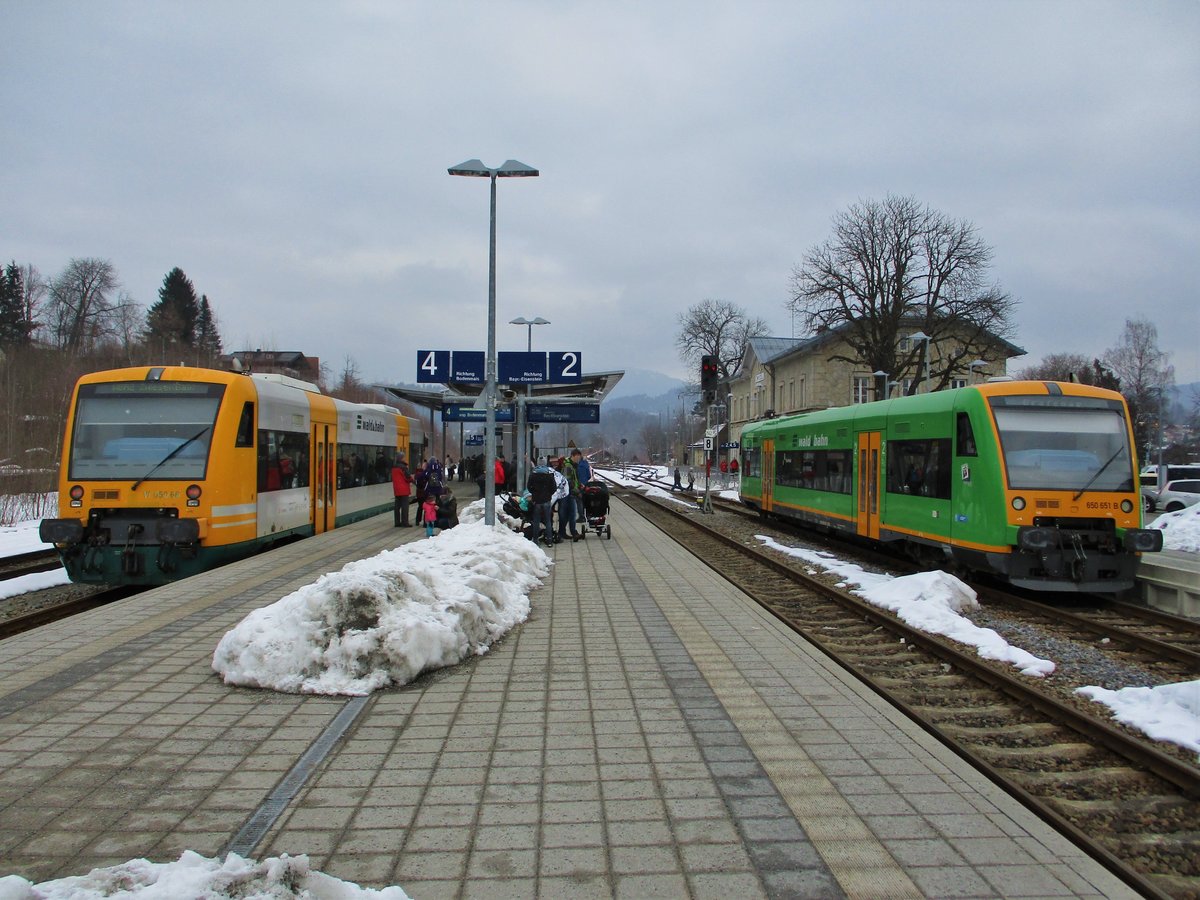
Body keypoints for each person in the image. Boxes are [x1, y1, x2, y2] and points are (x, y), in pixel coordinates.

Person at [527, 456, 557, 546]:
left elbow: (529, 487)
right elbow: (554, 488)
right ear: (545, 463)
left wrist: (534, 494)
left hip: (537, 501)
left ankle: (535, 540)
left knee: (536, 520)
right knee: (548, 520)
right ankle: (549, 540)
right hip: (547, 500)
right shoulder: (549, 475)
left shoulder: (533, 474)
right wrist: (549, 494)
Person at [558, 456, 581, 543]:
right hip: (567, 493)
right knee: (567, 514)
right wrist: (575, 489)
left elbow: (573, 479)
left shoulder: (572, 465)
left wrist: (578, 485)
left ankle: (568, 532)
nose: (578, 459)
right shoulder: (568, 465)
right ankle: (567, 532)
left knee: (569, 514)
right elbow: (566, 480)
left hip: (569, 493)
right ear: (574, 456)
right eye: (578, 457)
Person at [571, 449, 591, 527]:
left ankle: (581, 516)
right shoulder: (586, 463)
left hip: (579, 485)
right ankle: (588, 515)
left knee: (579, 501)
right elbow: (589, 475)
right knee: (585, 500)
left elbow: (575, 476)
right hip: (586, 485)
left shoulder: (576, 465)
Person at [391, 454, 413, 527]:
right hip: (404, 489)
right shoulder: (403, 467)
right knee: (405, 506)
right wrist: (412, 480)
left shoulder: (393, 467)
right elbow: (408, 477)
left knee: (397, 506)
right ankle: (405, 522)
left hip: (396, 489)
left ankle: (397, 522)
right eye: (404, 457)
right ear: (401, 459)